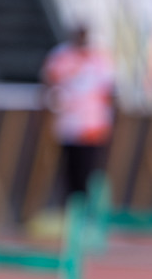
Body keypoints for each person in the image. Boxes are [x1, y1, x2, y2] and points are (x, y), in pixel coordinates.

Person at [42, 24, 115, 201]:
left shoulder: (99, 59)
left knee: (89, 168)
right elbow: (49, 83)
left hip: (93, 125)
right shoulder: (61, 56)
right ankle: (73, 206)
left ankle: (86, 207)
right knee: (70, 168)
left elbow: (109, 89)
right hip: (69, 125)